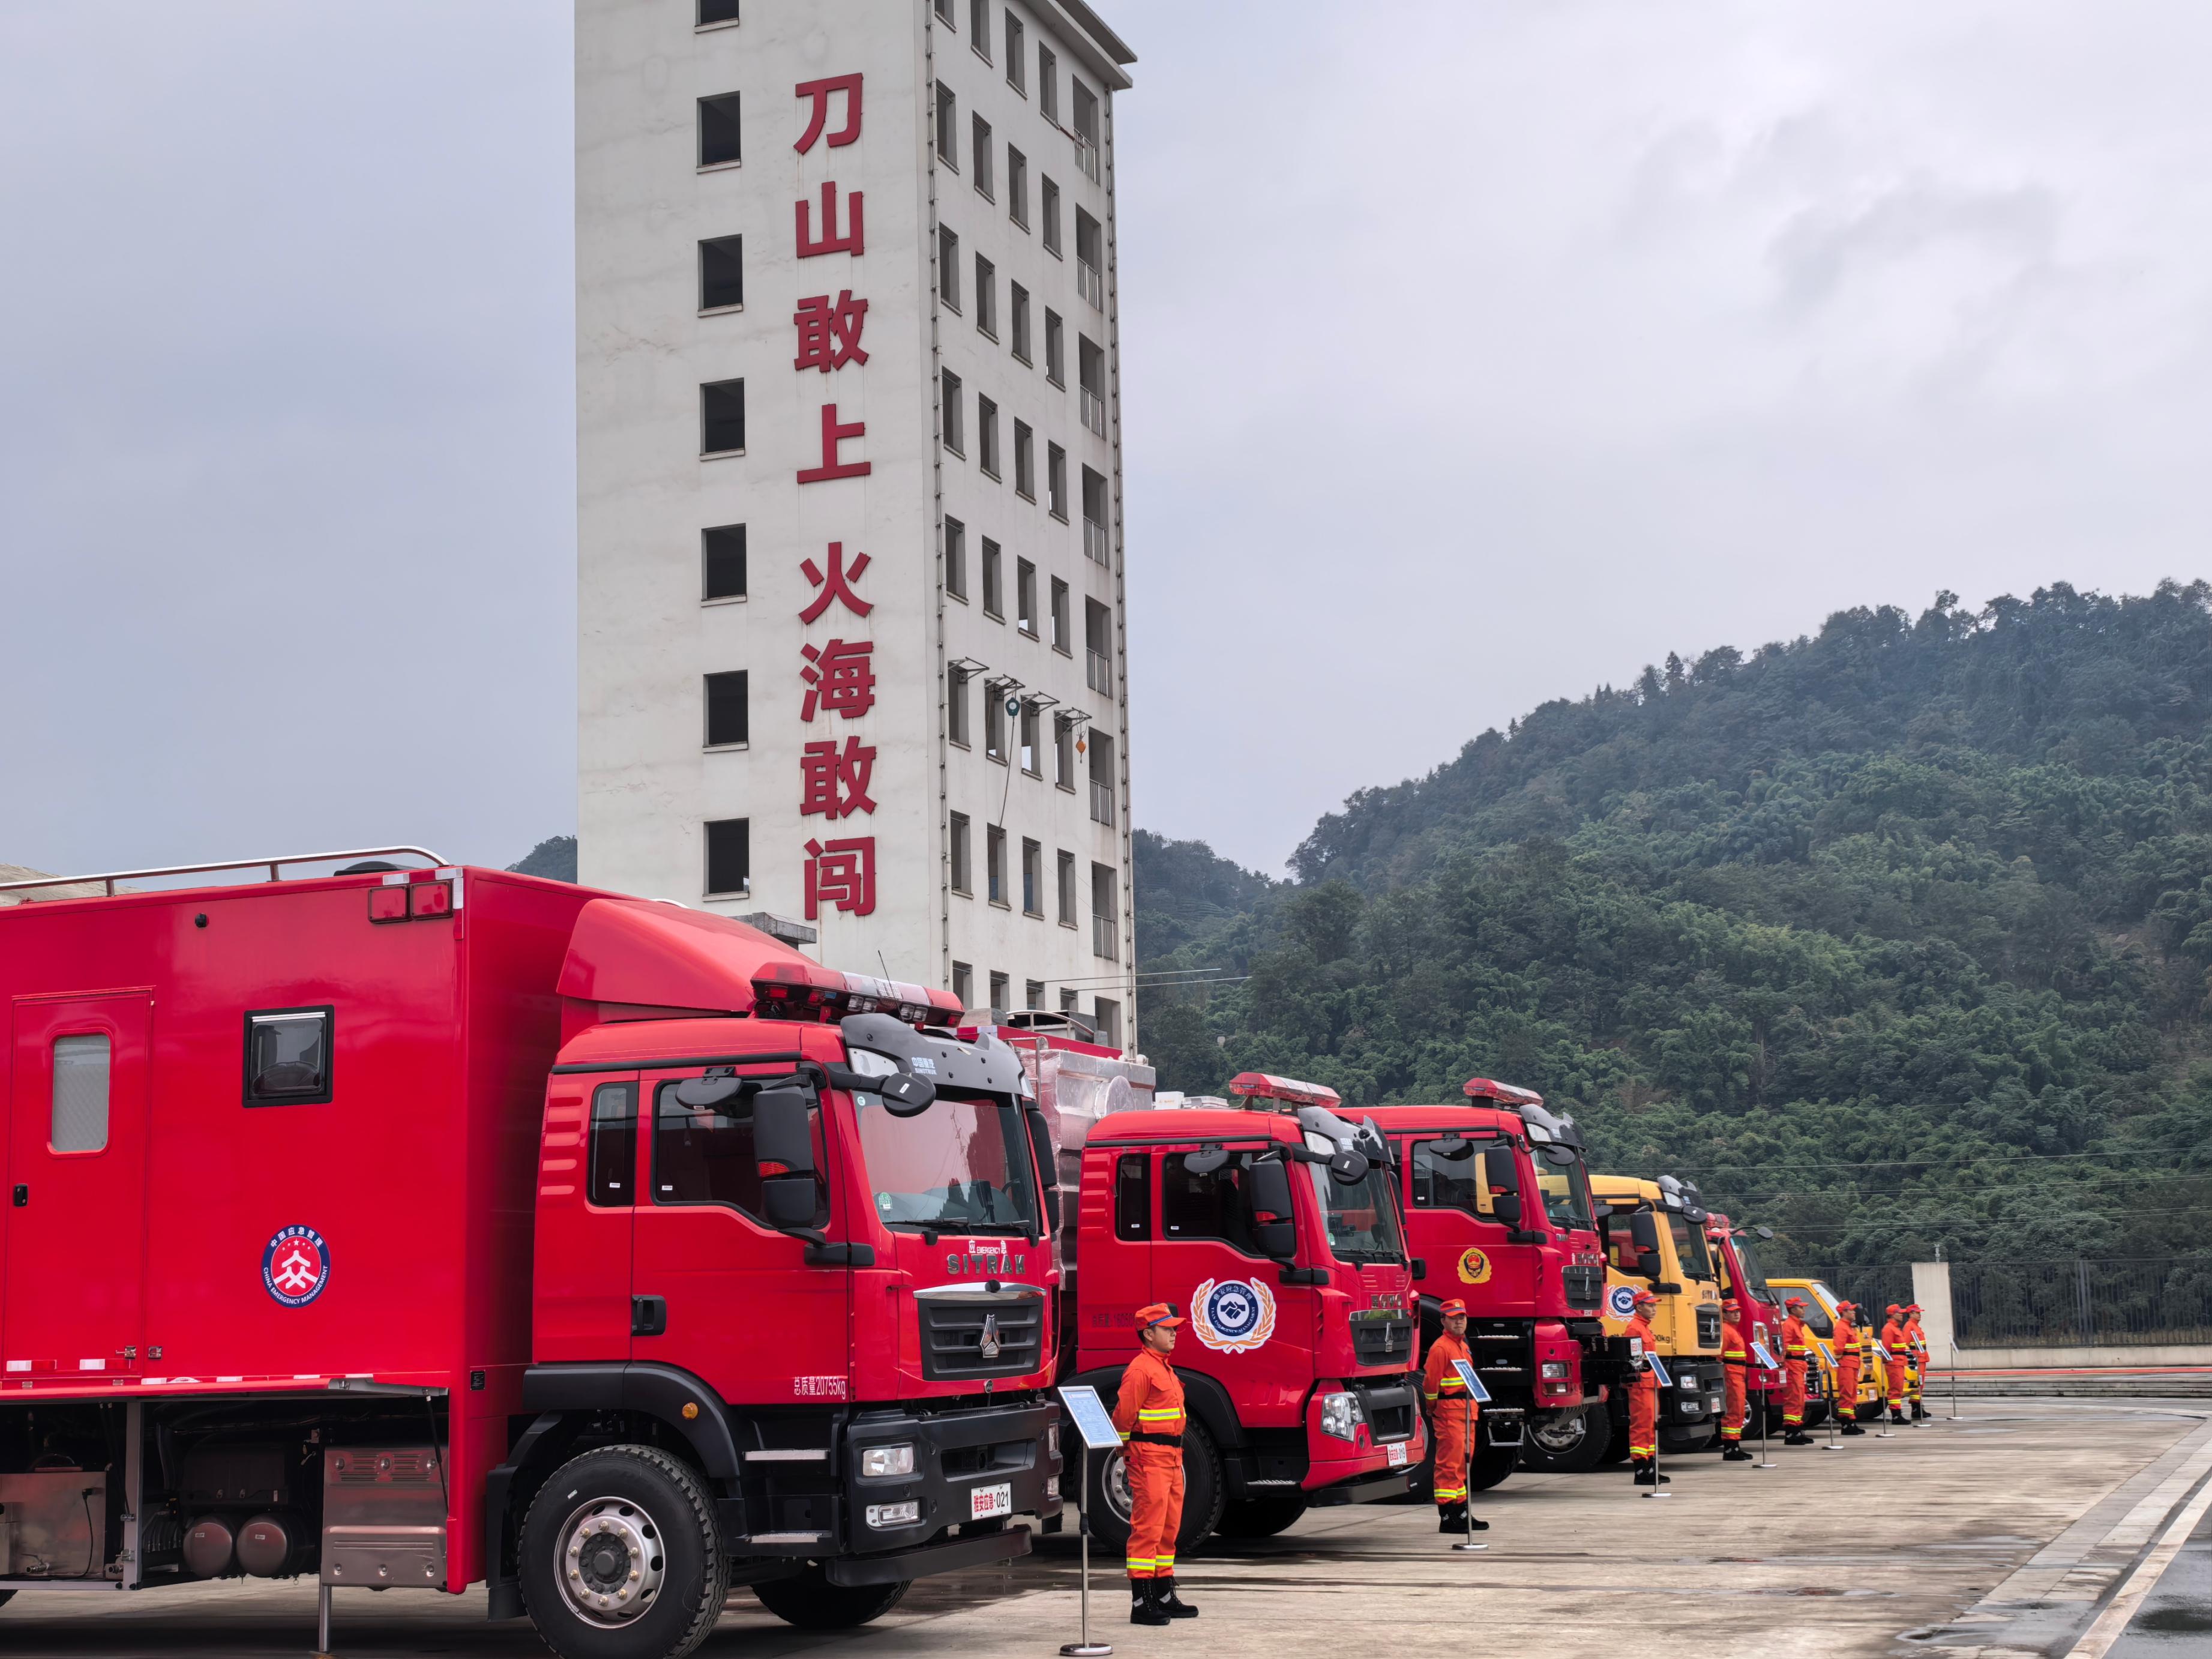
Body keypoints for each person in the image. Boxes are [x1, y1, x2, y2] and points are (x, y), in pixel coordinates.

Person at [1113, 1303, 1197, 1625]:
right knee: (1147, 1529)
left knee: (1168, 1528)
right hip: (1149, 1458)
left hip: (1172, 1458)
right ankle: (1142, 1602)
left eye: (1175, 1328)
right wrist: (1126, 1447)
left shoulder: (1164, 1368)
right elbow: (1123, 1417)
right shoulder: (1141, 1369)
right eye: (1168, 1329)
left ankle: (1163, 1594)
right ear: (1149, 1334)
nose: (1174, 1333)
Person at [1422, 1298, 1486, 1532]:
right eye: (1453, 1318)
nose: (1459, 1322)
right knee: (1449, 1464)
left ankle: (1461, 1511)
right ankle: (1447, 1516)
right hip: (1449, 1413)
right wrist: (1432, 1406)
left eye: (1462, 1317)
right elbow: (1431, 1382)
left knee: (1462, 1464)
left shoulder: (1462, 1345)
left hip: (1466, 1411)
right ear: (1443, 1320)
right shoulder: (1441, 1347)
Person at [1624, 1287, 1667, 1487]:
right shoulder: (1635, 1328)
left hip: (1650, 1383)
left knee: (1650, 1425)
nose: (1654, 1308)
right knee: (1642, 1425)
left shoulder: (1645, 1327)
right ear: (1639, 1307)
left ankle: (1650, 1466)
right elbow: (1634, 1359)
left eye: (1654, 1305)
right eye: (1650, 1305)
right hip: (1642, 1384)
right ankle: (1641, 1469)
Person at [1718, 1296, 1753, 1462]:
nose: (1737, 1314)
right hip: (1731, 1374)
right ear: (1724, 1314)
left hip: (1738, 1373)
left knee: (1739, 1410)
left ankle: (1735, 1446)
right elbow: (1720, 1356)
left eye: (1738, 1311)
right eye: (1732, 1312)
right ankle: (1730, 1448)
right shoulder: (1726, 1330)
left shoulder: (1732, 1329)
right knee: (1734, 1410)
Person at [1779, 1296, 1814, 1445]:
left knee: (1799, 1399)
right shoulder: (1789, 1325)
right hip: (1793, 1366)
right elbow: (1784, 1348)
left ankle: (1797, 1430)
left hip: (1798, 1366)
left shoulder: (1797, 1325)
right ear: (1793, 1309)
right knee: (1793, 1399)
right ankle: (1791, 1433)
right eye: (1801, 1307)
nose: (1804, 1310)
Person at [1832, 1301, 1867, 1436]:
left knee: (1852, 1393)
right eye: (1851, 1310)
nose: (1854, 1312)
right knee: (1847, 1393)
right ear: (1844, 1312)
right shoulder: (1841, 1327)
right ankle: (1846, 1424)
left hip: (1852, 1363)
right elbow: (1839, 1349)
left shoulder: (1849, 1327)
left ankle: (1851, 1422)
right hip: (1846, 1364)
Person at [1880, 1304, 1911, 1426]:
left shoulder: (1896, 1328)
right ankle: (1896, 1416)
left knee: (1898, 1389)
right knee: (1895, 1390)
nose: (1902, 1314)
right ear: (1892, 1315)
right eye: (1899, 1313)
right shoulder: (1889, 1329)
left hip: (1899, 1362)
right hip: (1894, 1363)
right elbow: (1886, 1348)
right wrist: (1889, 1362)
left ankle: (1897, 1414)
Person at [1904, 1303, 1929, 1420]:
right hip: (1917, 1359)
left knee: (1921, 1384)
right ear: (1911, 1314)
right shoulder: (1909, 1326)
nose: (1920, 1315)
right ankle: (1916, 1409)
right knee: (1918, 1383)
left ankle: (1918, 1408)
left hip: (1921, 1357)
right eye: (1917, 1313)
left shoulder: (1916, 1326)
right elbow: (1906, 1344)